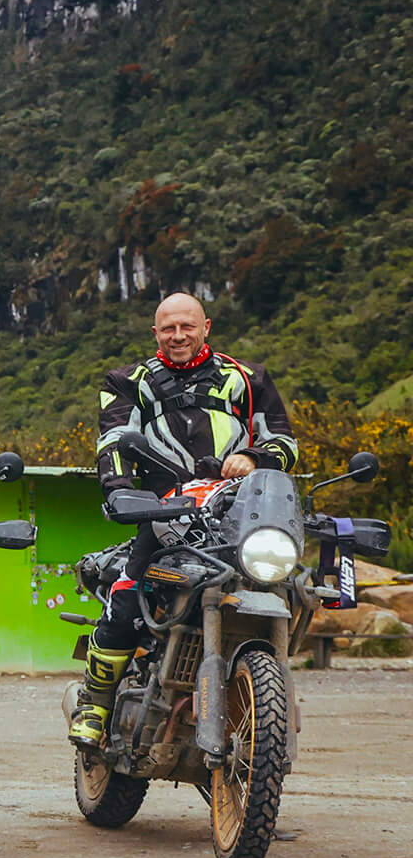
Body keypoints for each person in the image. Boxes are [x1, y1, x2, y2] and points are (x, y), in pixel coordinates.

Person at [68, 291, 298, 748]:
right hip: (164, 511)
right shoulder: (127, 381)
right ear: (155, 332)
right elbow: (113, 442)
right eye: (168, 328)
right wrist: (121, 494)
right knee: (129, 590)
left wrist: (253, 458)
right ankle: (94, 702)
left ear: (205, 327)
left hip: (236, 512)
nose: (178, 336)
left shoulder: (248, 379)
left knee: (288, 582)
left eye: (187, 327)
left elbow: (285, 443)